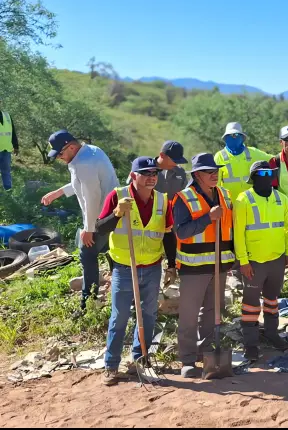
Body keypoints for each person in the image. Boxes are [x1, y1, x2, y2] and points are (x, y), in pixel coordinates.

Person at [94, 157, 175, 386]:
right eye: (146, 173)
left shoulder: (162, 200)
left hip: (152, 266)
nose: (151, 177)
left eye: (154, 173)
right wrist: (117, 213)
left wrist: (171, 264)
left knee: (148, 314)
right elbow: (100, 229)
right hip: (123, 266)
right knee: (119, 315)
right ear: (133, 175)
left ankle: (141, 358)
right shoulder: (117, 196)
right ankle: (111, 366)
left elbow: (168, 234)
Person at [41, 130, 119, 315]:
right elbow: (82, 183)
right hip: (114, 214)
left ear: (72, 147)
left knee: (87, 254)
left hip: (101, 217)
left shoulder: (84, 163)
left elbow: (92, 197)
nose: (59, 157)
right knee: (112, 250)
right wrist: (58, 192)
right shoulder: (91, 151)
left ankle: (88, 303)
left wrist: (89, 229)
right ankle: (120, 286)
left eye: (60, 153)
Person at [172, 153, 236, 378]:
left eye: (216, 171)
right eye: (209, 171)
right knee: (189, 315)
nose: (214, 174)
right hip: (194, 267)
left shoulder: (225, 195)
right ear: (197, 174)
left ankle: (208, 355)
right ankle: (188, 360)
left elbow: (231, 228)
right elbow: (181, 231)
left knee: (212, 312)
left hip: (219, 265)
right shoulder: (183, 198)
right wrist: (208, 218)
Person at [233, 161, 288, 359]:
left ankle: (271, 333)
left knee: (272, 299)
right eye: (262, 173)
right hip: (254, 262)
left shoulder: (281, 199)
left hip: (276, 259)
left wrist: (287, 253)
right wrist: (243, 261)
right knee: (250, 304)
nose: (267, 176)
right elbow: (239, 233)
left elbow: (287, 229)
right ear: (254, 177)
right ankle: (250, 343)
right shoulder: (243, 199)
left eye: (270, 173)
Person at [214, 122, 272, 197]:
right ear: (225, 138)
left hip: (250, 202)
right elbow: (215, 185)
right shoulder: (219, 156)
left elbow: (273, 159)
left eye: (236, 135)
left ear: (241, 137)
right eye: (230, 135)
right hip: (230, 204)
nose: (233, 137)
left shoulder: (253, 152)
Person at [124, 140, 189, 196]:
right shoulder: (142, 168)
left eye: (178, 161)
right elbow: (129, 191)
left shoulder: (180, 172)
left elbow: (184, 195)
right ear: (162, 155)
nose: (176, 164)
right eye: (174, 160)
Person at [0, 109, 19, 190]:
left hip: (6, 149)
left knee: (6, 170)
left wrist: (16, 146)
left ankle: (8, 188)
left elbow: (12, 131)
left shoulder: (7, 115)